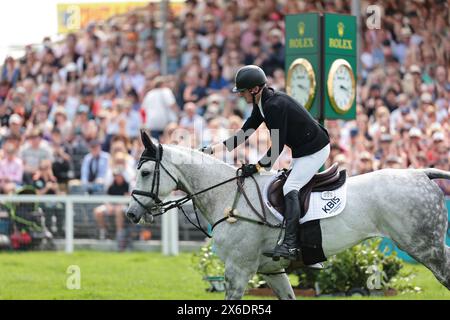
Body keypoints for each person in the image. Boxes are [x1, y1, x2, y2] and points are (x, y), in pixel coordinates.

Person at [201, 65, 330, 266]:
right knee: (283, 186)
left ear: (254, 89)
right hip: (303, 150)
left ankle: (291, 243)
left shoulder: (273, 106)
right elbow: (245, 132)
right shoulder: (263, 102)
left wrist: (258, 166)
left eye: (242, 91)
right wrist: (214, 149)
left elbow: (277, 146)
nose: (241, 95)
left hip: (315, 150)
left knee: (290, 187)